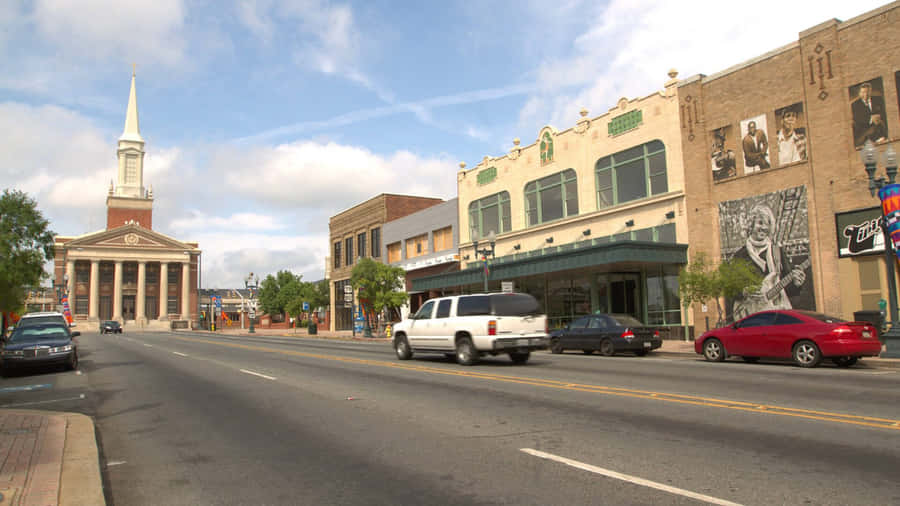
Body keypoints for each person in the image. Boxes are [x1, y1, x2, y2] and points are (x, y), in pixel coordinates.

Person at [730, 203, 806, 320]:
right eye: (760, 223)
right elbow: (731, 289)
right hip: (751, 316)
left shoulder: (778, 251)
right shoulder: (739, 256)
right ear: (751, 224)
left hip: (776, 314)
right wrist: (743, 292)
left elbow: (788, 290)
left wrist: (796, 284)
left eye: (768, 224)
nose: (764, 227)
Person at [851, 82, 888, 148]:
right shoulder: (854, 105)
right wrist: (871, 119)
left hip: (881, 130)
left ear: (870, 91)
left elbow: (884, 112)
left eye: (867, 92)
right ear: (859, 93)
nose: (865, 94)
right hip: (865, 133)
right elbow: (857, 118)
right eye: (863, 92)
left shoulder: (879, 99)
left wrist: (879, 117)